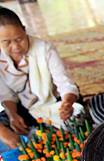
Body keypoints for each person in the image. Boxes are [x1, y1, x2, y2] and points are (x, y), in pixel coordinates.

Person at [0, 7, 82, 150]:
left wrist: (67, 103)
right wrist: (12, 115)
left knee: (76, 115)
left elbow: (65, 83)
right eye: (7, 42)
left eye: (19, 39)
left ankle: (44, 133)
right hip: (24, 108)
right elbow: (7, 95)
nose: (15, 47)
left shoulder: (44, 48)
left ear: (25, 30)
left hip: (54, 103)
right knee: (5, 126)